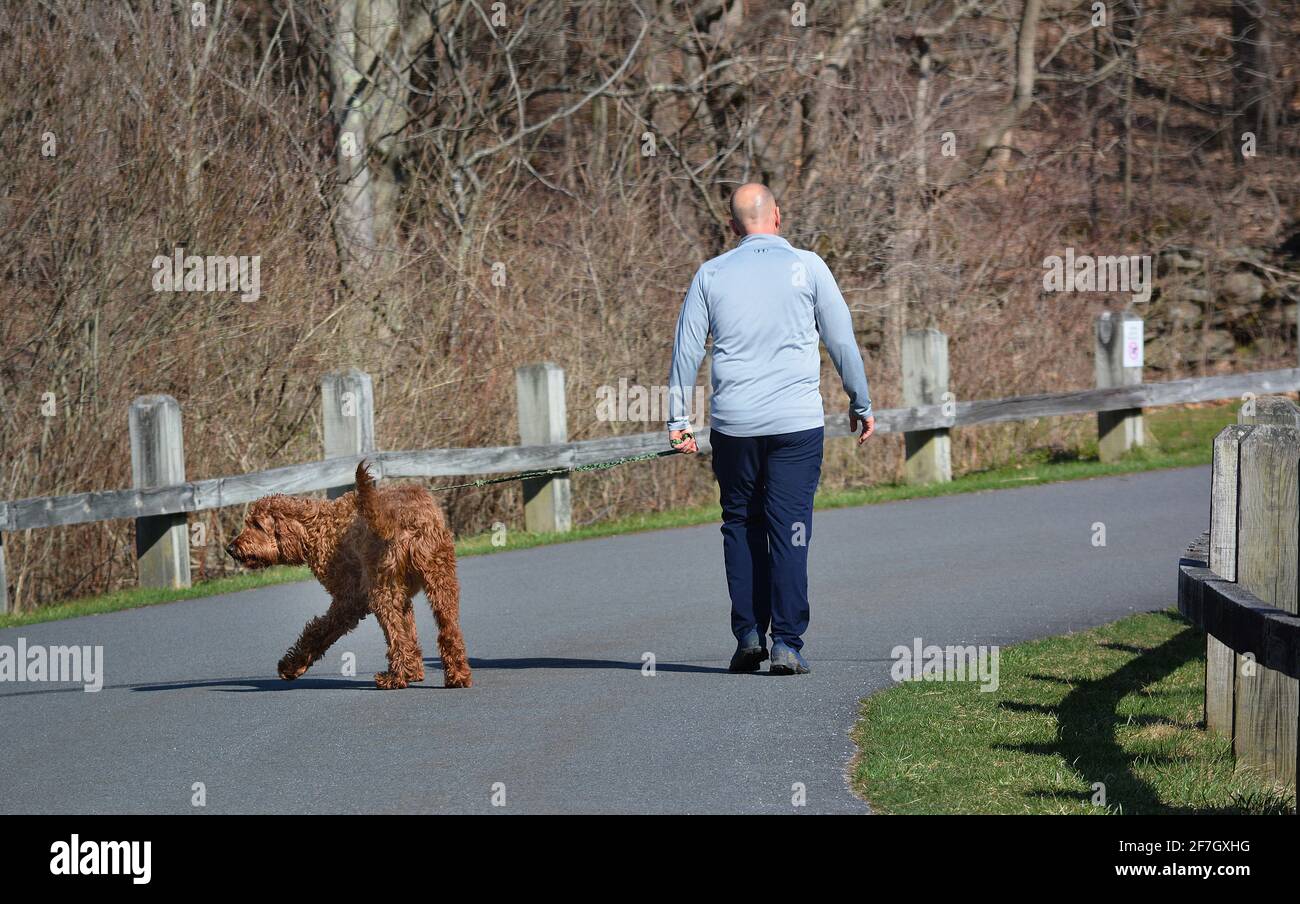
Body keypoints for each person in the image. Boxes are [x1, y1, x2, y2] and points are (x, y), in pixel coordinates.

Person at [666, 183, 875, 675]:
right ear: (776, 216)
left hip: (734, 425)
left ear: (734, 224)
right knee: (790, 527)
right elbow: (841, 339)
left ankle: (746, 635)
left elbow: (686, 350)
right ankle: (787, 642)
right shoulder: (809, 266)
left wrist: (678, 420)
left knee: (740, 523)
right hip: (796, 423)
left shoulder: (710, 274)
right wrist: (860, 401)